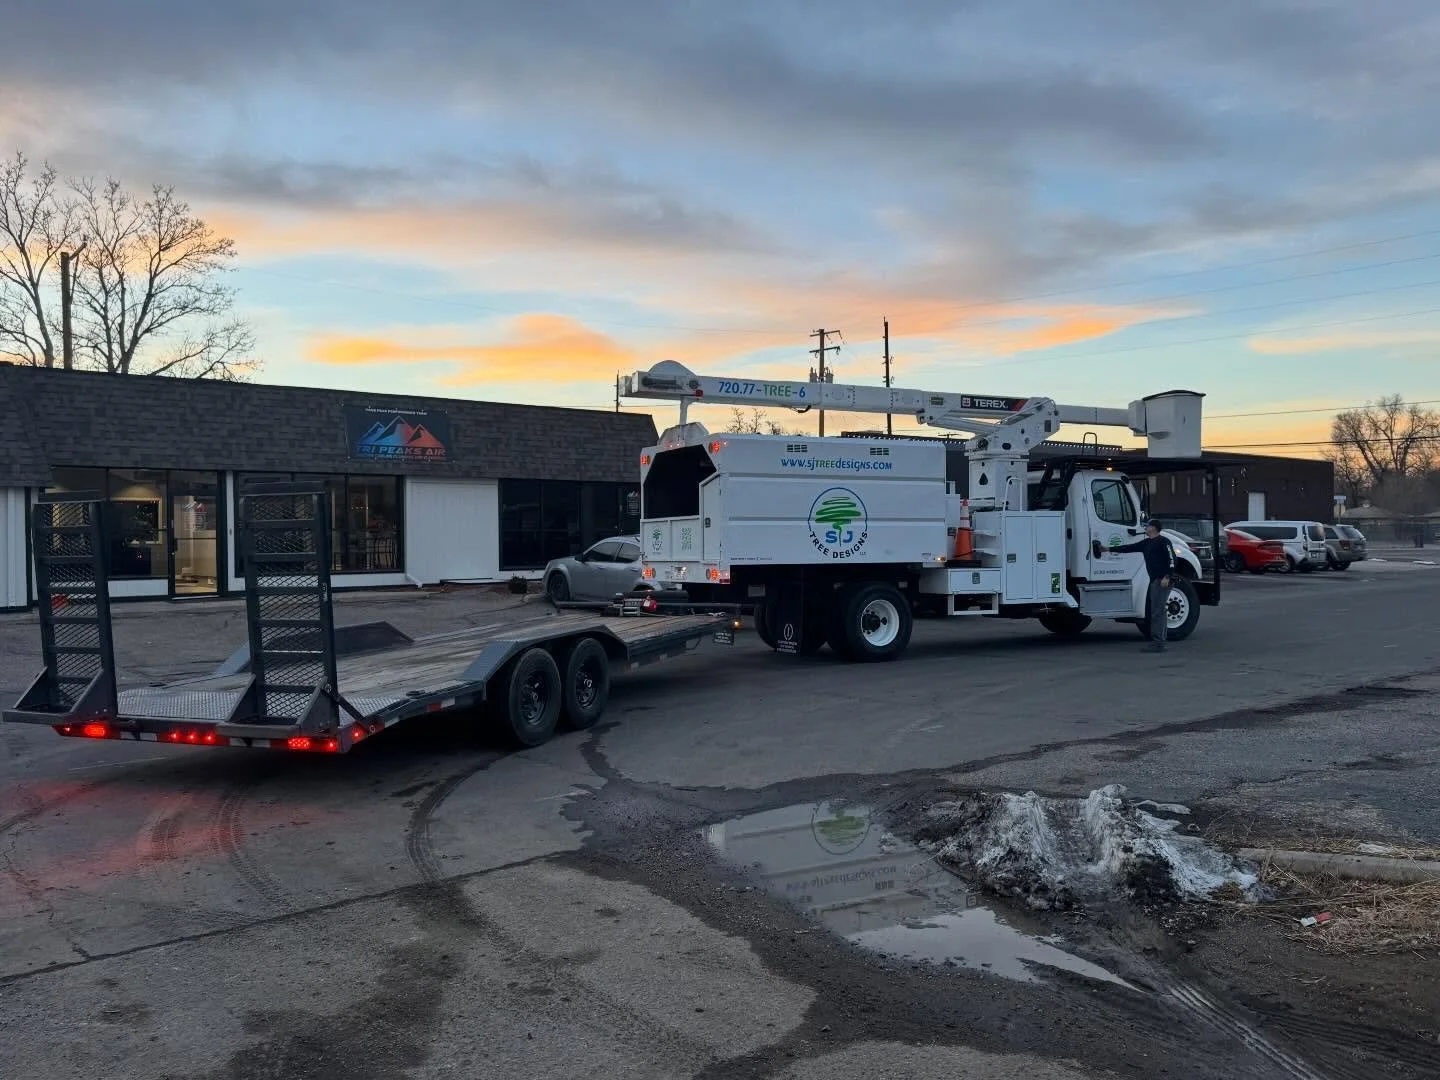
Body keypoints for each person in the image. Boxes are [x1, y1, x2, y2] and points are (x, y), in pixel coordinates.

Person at [1109, 518, 1175, 652]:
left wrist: (1167, 576)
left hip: (1162, 581)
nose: (1145, 528)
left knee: (1158, 611)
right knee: (1155, 610)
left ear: (1154, 528)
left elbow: (1172, 559)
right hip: (1154, 581)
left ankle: (1159, 643)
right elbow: (1129, 548)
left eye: (1147, 526)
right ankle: (1158, 642)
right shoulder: (1147, 543)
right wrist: (1108, 549)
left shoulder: (1164, 542)